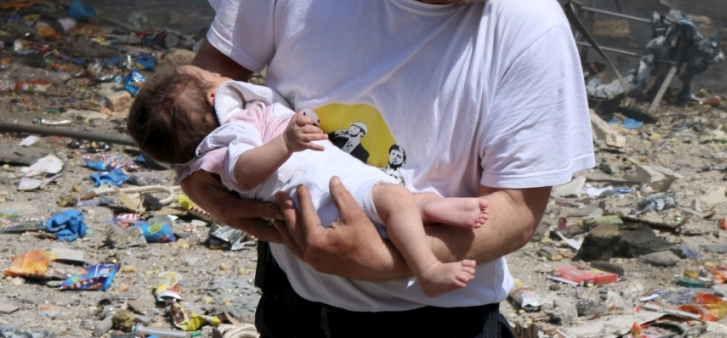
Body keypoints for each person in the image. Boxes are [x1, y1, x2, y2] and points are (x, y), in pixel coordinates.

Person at [181, 0, 594, 338]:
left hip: (437, 321)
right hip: (291, 300)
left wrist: (391, 260)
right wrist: (206, 187)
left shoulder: (530, 24)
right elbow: (210, 83)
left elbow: (517, 209)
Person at [127, 64, 489, 297]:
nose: (220, 73)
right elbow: (243, 171)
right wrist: (285, 142)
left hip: (341, 185)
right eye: (211, 75)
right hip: (328, 198)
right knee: (396, 202)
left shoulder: (219, 142)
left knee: (405, 200)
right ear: (213, 96)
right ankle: (428, 269)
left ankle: (436, 207)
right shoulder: (232, 136)